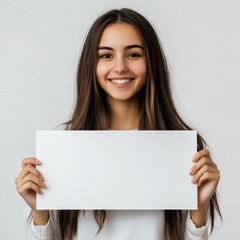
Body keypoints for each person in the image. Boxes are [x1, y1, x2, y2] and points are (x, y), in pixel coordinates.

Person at [15, 8, 221, 240]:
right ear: (91, 65)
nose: (120, 66)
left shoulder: (182, 149)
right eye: (106, 55)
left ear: (151, 61)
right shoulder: (64, 147)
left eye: (133, 54)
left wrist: (199, 209)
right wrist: (39, 209)